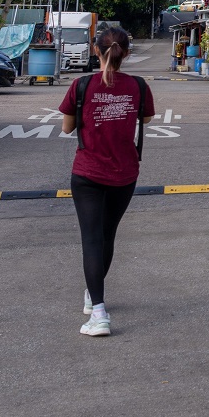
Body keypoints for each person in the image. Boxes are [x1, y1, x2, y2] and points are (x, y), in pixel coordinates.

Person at [58, 27, 154, 337]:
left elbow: (67, 128)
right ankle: (93, 294)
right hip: (124, 174)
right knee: (107, 235)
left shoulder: (82, 85)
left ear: (96, 51)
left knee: (91, 239)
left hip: (87, 173)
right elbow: (146, 119)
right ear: (126, 53)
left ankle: (98, 313)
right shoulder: (139, 86)